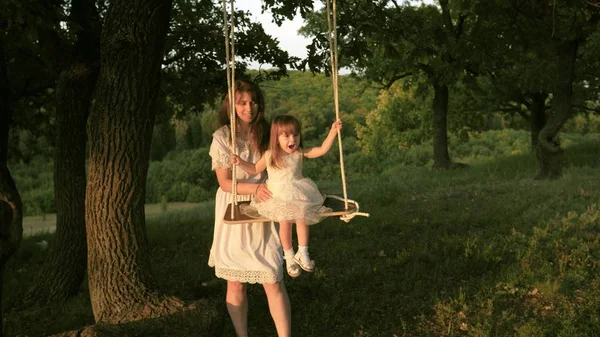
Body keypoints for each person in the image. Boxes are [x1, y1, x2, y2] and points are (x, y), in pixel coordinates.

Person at [208, 79, 291, 337]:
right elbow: (224, 182)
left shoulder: (267, 132)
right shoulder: (223, 137)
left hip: (263, 206)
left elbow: (290, 152)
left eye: (253, 102)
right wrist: (254, 188)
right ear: (231, 105)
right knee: (236, 283)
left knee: (272, 277)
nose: (248, 107)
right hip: (233, 208)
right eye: (242, 102)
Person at [231, 114, 342, 278]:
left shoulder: (299, 153)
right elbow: (255, 169)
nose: (293, 139)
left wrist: (333, 132)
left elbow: (321, 150)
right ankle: (289, 256)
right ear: (276, 138)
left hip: (298, 193)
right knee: (285, 223)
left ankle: (303, 252)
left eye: (296, 135)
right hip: (278, 195)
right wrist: (240, 162)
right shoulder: (269, 155)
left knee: (302, 217)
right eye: (287, 135)